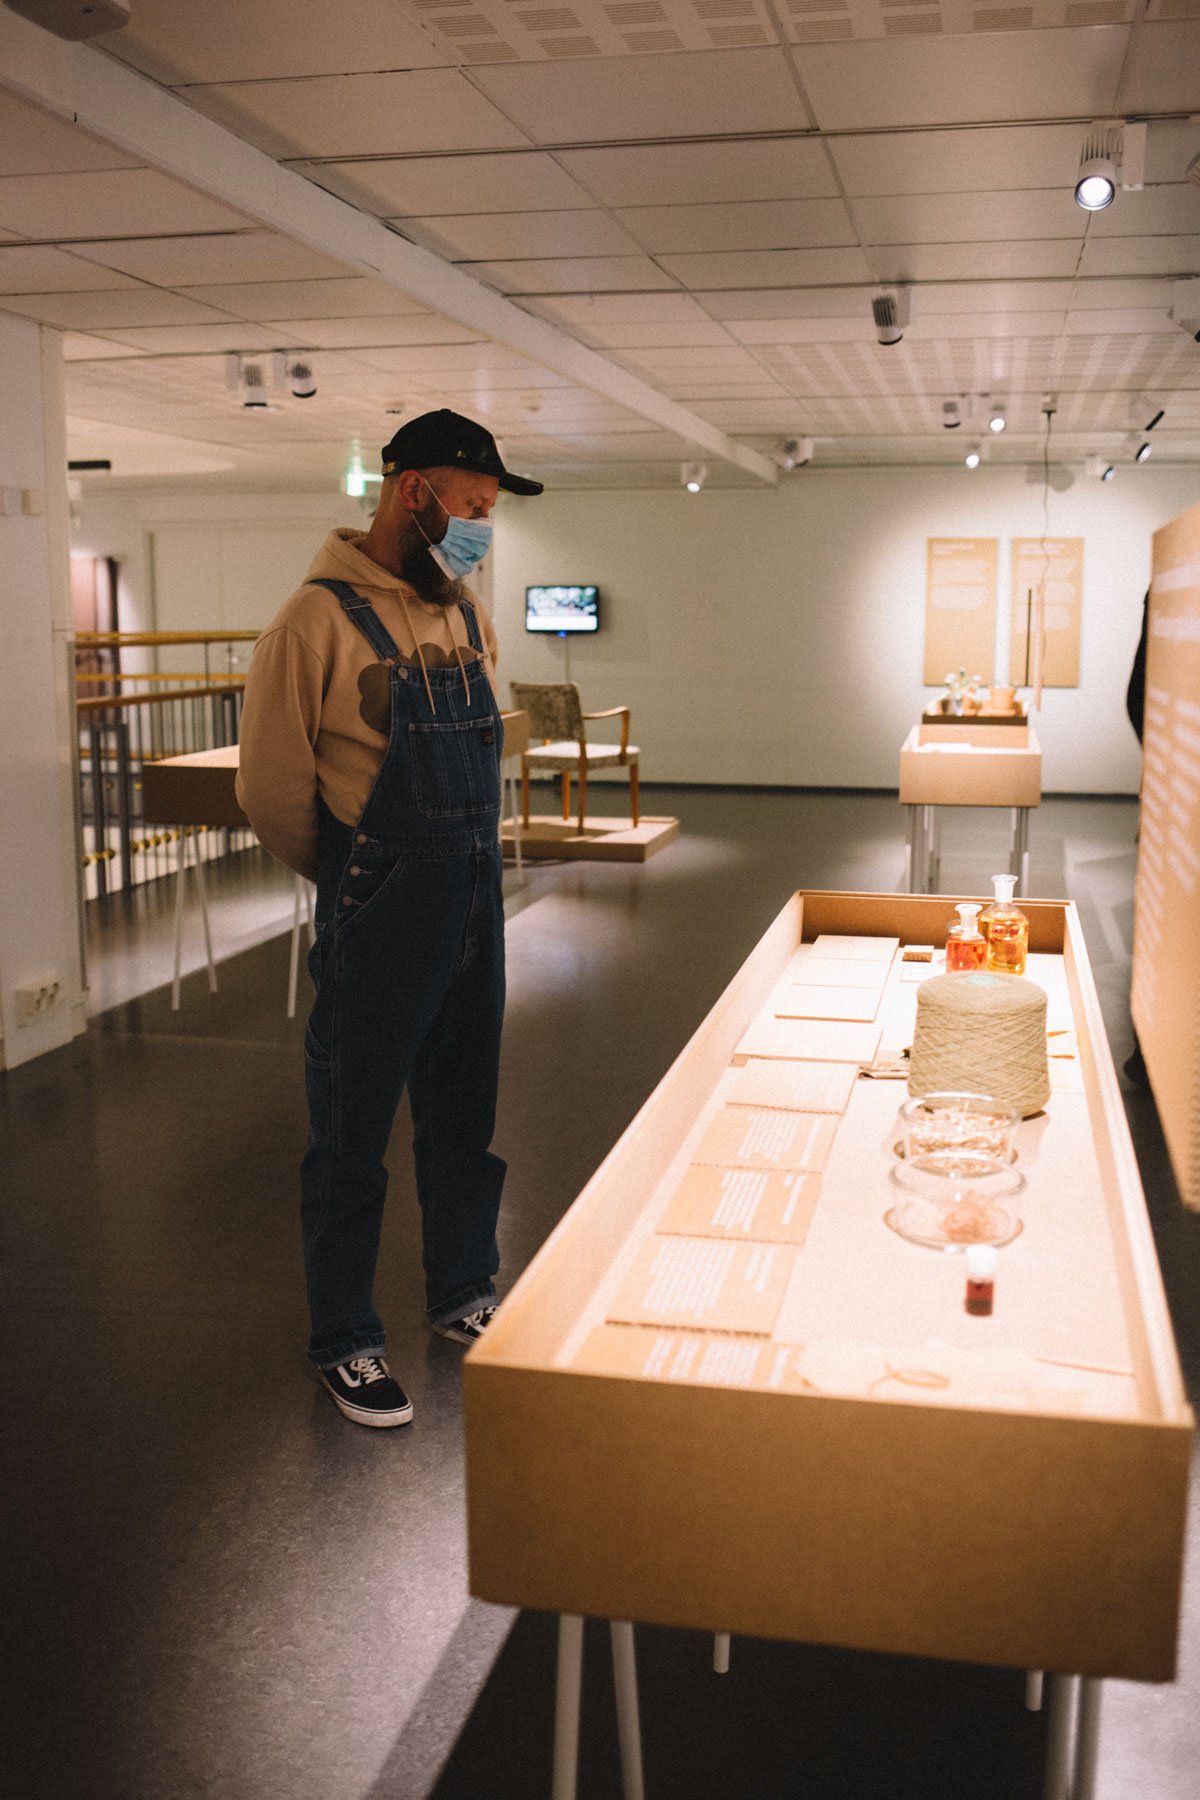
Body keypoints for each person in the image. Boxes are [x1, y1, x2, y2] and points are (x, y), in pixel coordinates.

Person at [236, 410, 543, 1426]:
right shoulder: (310, 623)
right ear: (414, 492)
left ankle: (462, 1288)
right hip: (381, 907)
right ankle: (345, 1338)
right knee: (351, 1135)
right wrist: (357, 881)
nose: (482, 527)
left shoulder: (465, 615)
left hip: (474, 896)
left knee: (464, 1116)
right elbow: (272, 791)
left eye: (490, 510)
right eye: (473, 505)